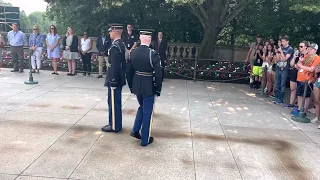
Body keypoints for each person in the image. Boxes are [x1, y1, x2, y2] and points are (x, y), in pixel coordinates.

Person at [126, 29, 163, 146]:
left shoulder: (133, 52)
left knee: (142, 107)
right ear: (150, 39)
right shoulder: (153, 54)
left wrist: (131, 86)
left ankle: (135, 130)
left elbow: (129, 72)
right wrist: (158, 88)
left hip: (137, 85)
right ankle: (145, 139)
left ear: (140, 39)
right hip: (148, 86)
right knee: (147, 112)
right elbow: (158, 73)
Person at [101, 24, 126, 133]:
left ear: (116, 32)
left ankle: (115, 125)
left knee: (113, 103)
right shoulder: (121, 44)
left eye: (111, 31)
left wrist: (113, 80)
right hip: (118, 77)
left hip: (114, 79)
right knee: (115, 102)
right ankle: (116, 123)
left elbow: (115, 66)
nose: (110, 33)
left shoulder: (116, 46)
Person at [292, 43, 320, 117]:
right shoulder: (307, 56)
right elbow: (298, 65)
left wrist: (301, 66)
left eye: (311, 49)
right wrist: (300, 62)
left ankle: (303, 111)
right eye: (309, 49)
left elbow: (312, 69)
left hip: (308, 79)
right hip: (300, 77)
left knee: (306, 95)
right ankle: (299, 109)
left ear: (315, 50)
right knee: (300, 94)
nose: (309, 50)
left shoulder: (317, 58)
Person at [284, 41, 309, 108]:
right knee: (293, 89)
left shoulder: (307, 55)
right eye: (299, 46)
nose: (300, 48)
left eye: (301, 46)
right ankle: (291, 103)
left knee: (299, 91)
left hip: (301, 74)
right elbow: (292, 64)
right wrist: (294, 57)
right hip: (294, 72)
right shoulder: (298, 54)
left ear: (306, 47)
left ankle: (299, 106)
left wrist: (297, 65)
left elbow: (299, 65)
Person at [273, 36, 294, 104]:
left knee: (282, 84)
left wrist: (281, 51)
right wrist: (277, 52)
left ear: (287, 41)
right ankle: (276, 98)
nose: (282, 43)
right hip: (279, 66)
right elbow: (278, 59)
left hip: (285, 68)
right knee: (277, 83)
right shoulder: (281, 48)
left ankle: (280, 99)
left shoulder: (290, 49)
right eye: (282, 41)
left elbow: (285, 59)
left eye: (284, 41)